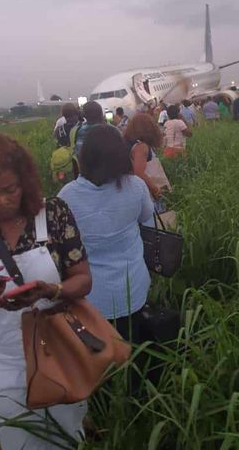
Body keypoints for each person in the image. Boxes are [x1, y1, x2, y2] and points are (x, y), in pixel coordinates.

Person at [0, 134, 92, 450]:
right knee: (18, 441)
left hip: (60, 352)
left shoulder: (53, 214)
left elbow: (83, 280)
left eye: (9, 190)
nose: (1, 200)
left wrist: (52, 290)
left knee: (68, 438)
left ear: (24, 183)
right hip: (4, 365)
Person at [58, 125, 153, 336]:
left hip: (90, 297)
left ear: (84, 156)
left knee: (100, 358)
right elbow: (147, 218)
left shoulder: (66, 196)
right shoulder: (136, 186)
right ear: (121, 155)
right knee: (134, 345)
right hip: (134, 289)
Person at [124, 113, 163, 200]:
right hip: (141, 189)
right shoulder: (141, 146)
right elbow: (138, 172)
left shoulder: (128, 141)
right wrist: (155, 189)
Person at [70, 100, 106, 173]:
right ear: (101, 113)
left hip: (82, 171)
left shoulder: (75, 130)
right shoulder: (112, 130)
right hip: (105, 172)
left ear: (83, 115)